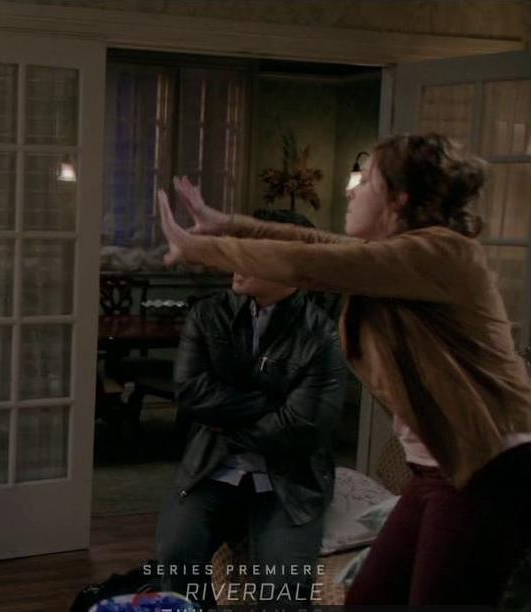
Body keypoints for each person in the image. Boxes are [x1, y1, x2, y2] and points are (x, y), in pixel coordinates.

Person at [156, 134, 531, 606]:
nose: (351, 191)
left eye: (367, 181)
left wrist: (202, 248)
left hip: (488, 468)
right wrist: (225, 224)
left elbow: (311, 263)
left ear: (399, 198)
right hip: (439, 468)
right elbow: (317, 243)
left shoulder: (442, 254)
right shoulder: (400, 256)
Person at [154, 208, 347, 607]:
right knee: (176, 554)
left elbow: (301, 427)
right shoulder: (209, 314)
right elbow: (190, 393)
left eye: (251, 254)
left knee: (283, 590)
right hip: (212, 467)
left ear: (292, 268)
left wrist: (225, 421)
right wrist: (273, 404)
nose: (236, 263)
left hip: (290, 482)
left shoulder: (321, 334)